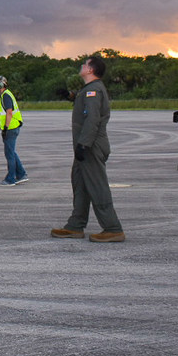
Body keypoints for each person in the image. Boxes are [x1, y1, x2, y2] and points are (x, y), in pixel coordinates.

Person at [52, 56, 125, 242]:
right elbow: (85, 107)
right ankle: (75, 226)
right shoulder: (88, 90)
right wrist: (70, 96)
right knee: (80, 184)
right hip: (84, 145)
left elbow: (92, 119)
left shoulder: (94, 90)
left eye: (85, 64)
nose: (82, 66)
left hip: (91, 146)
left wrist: (84, 144)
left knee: (97, 186)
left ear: (91, 70)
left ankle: (113, 228)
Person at [0, 75, 26, 186]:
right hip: (13, 127)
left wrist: (5, 128)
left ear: (1, 84)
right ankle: (21, 174)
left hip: (11, 127)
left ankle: (10, 179)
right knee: (11, 152)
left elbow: (9, 112)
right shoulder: (4, 95)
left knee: (9, 154)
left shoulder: (6, 96)